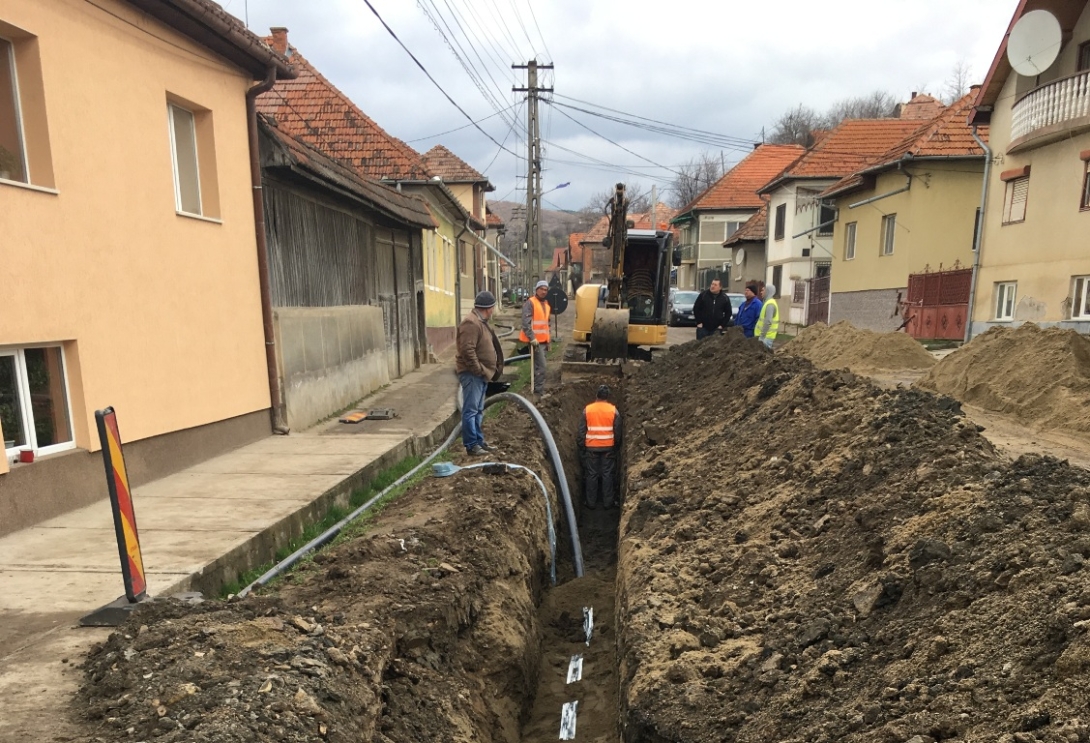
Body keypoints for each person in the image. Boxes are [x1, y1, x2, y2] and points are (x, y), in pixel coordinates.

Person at [455, 291, 504, 456]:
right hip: (472, 374)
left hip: (482, 374)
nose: (493, 310)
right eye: (493, 307)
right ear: (488, 308)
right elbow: (467, 350)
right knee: (471, 410)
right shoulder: (471, 323)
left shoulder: (480, 322)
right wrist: (478, 370)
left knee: (478, 409)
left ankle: (479, 442)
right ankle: (471, 445)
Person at [578, 385, 622, 510]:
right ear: (607, 397)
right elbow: (617, 431)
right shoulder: (613, 411)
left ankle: (590, 503)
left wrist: (581, 446)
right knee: (607, 474)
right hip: (608, 447)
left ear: (596, 396)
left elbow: (581, 431)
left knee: (592, 474)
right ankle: (608, 503)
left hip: (591, 447)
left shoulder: (588, 410)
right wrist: (616, 446)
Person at [520, 280, 552, 397]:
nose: (544, 292)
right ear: (537, 290)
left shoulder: (546, 305)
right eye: (542, 289)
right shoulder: (530, 303)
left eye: (545, 290)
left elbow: (546, 324)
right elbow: (525, 322)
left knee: (540, 366)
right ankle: (538, 393)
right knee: (542, 366)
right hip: (535, 342)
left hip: (543, 341)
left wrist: (549, 341)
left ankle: (539, 390)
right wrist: (532, 338)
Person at [756, 283, 780, 350]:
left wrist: (762, 337)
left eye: (763, 290)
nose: (761, 292)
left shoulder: (770, 304)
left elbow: (768, 322)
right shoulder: (767, 303)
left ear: (768, 291)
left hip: (766, 338)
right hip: (765, 337)